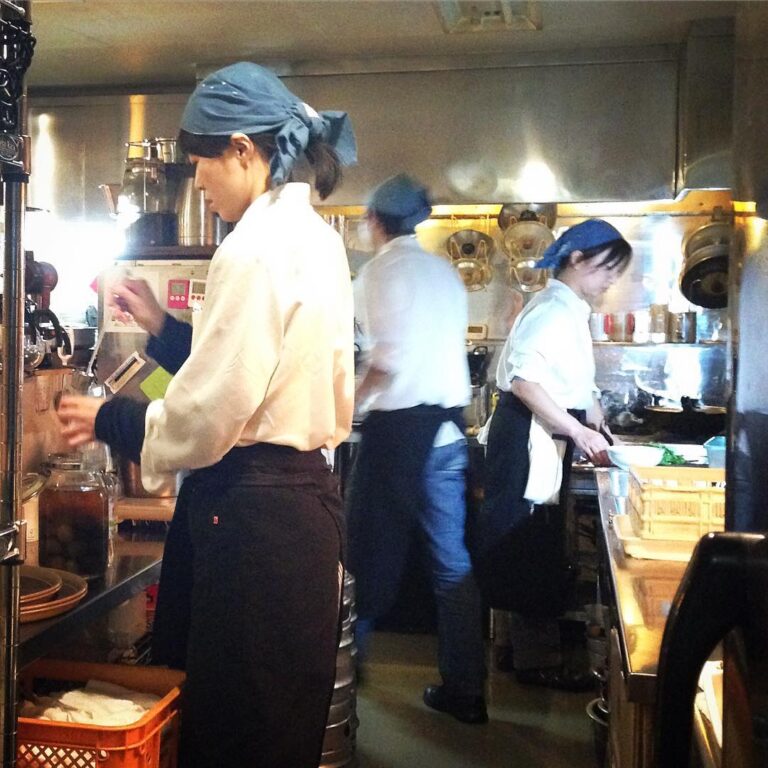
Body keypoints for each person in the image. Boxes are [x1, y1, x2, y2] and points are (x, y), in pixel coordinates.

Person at [57, 61, 357, 768]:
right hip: (298, 512)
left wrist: (109, 420)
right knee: (277, 726)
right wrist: (163, 327)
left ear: (243, 151)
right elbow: (256, 371)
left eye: (201, 163)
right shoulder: (313, 237)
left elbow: (210, 417)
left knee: (234, 731)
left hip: (253, 521)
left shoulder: (252, 250)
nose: (197, 181)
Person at [347, 174, 487, 724]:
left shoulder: (378, 273)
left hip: (399, 435)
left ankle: (343, 677)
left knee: (363, 555)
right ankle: (466, 691)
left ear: (375, 221)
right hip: (448, 437)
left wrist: (346, 404)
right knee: (452, 565)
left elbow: (385, 362)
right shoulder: (444, 272)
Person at [473, 218, 631, 691]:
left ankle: (514, 650)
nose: (610, 281)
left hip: (541, 434)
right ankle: (535, 661)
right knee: (527, 542)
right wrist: (578, 432)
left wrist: (597, 423)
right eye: (607, 269)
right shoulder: (552, 310)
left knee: (529, 541)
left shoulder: (569, 309)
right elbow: (524, 382)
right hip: (527, 436)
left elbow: (577, 382)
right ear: (577, 260)